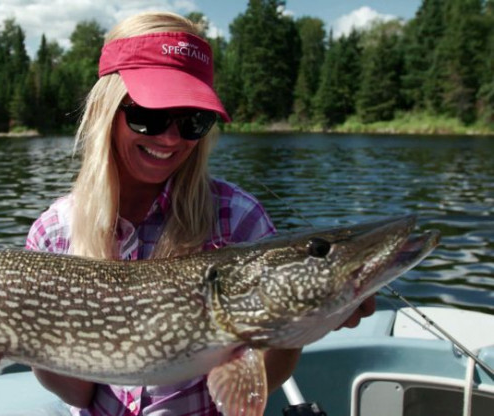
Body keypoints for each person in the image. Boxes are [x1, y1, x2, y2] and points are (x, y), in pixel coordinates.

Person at [25, 11, 375, 415]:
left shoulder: (237, 218)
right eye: (149, 116)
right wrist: (26, 340)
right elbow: (79, 395)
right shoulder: (55, 232)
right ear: (107, 111)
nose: (171, 139)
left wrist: (295, 326)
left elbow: (249, 389)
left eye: (194, 120)